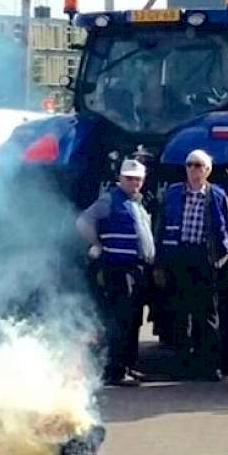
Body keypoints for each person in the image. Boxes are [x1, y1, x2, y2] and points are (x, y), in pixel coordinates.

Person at [154, 149, 228, 381]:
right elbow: (160, 228)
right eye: (189, 165)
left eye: (198, 165)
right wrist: (160, 263)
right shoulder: (173, 193)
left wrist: (221, 257)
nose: (193, 169)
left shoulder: (217, 196)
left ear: (208, 170)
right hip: (178, 256)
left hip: (204, 258)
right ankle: (181, 365)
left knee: (207, 314)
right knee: (180, 313)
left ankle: (209, 366)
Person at [76, 159, 155, 387]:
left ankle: (128, 366)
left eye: (138, 179)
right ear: (120, 178)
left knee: (133, 320)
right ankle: (116, 370)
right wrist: (97, 243)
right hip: (120, 268)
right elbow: (83, 221)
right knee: (121, 321)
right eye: (129, 178)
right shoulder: (110, 199)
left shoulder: (136, 202)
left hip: (137, 269)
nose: (134, 182)